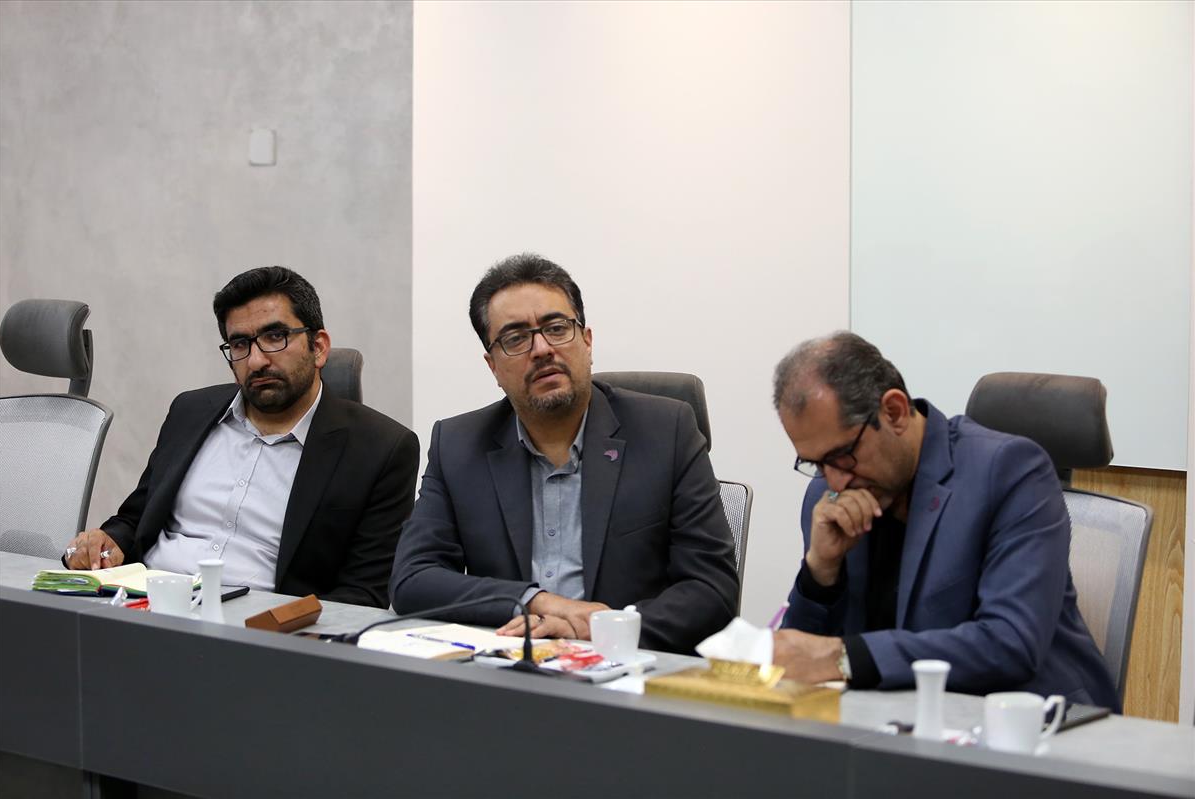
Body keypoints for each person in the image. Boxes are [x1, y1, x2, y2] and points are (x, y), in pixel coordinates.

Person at [389, 253, 738, 653]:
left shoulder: (667, 430)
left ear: (587, 341)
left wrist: (597, 629)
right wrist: (535, 601)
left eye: (556, 328)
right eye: (516, 338)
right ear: (493, 366)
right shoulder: (458, 444)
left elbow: (712, 589)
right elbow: (412, 579)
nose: (541, 349)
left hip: (627, 668)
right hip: (510, 667)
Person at [769, 331, 1119, 709]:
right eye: (816, 463)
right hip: (897, 720)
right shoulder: (827, 500)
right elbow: (800, 662)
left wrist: (845, 658)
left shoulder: (1011, 471)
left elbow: (1010, 642)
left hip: (1031, 722)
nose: (835, 481)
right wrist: (820, 571)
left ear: (894, 412)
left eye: (842, 456)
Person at [63, 266, 419, 608]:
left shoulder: (382, 449)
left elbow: (363, 596)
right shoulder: (190, 411)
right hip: (144, 604)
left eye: (275, 337)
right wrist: (106, 542)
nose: (256, 360)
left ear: (319, 347)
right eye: (239, 344)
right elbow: (135, 519)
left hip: (262, 630)